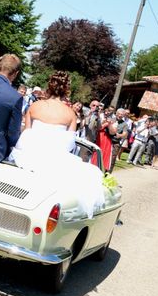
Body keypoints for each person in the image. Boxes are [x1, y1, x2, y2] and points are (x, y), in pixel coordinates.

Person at [10, 71, 105, 218]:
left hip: (28, 154)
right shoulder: (70, 114)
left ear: (49, 86)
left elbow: (26, 133)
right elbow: (69, 145)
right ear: (66, 89)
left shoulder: (35, 106)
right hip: (55, 159)